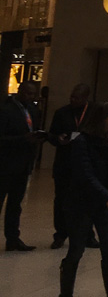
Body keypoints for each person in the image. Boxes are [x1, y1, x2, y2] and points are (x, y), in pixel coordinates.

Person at [61, 101, 108, 297]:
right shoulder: (82, 141)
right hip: (81, 204)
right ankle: (65, 292)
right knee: (76, 251)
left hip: (106, 203)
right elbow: (85, 175)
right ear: (104, 118)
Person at [49, 83, 94, 249]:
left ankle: (88, 235)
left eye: (77, 98)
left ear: (85, 98)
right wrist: (58, 138)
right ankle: (60, 234)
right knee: (61, 200)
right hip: (64, 164)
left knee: (87, 201)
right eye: (72, 97)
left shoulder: (94, 113)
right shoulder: (62, 113)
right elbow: (52, 134)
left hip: (86, 164)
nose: (73, 100)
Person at [1, 80, 44, 251]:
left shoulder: (33, 110)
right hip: (4, 164)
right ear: (19, 91)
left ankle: (13, 239)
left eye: (33, 94)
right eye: (27, 93)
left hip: (23, 164)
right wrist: (22, 139)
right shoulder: (5, 110)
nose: (30, 97)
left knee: (15, 204)